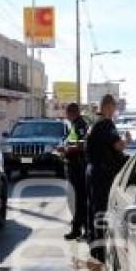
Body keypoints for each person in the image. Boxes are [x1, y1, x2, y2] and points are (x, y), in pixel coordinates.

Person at [85, 94, 125, 259]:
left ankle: (94, 246)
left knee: (94, 209)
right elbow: (118, 146)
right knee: (102, 210)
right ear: (108, 107)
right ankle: (100, 250)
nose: (115, 110)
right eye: (114, 107)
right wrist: (126, 140)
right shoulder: (106, 124)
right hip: (102, 174)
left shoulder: (94, 124)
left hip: (93, 171)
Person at [60, 102, 89, 240]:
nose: (66, 115)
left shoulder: (80, 125)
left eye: (67, 113)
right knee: (76, 199)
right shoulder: (74, 125)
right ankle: (79, 228)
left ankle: (80, 229)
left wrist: (66, 149)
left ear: (73, 113)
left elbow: (82, 145)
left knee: (80, 200)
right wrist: (64, 148)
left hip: (78, 167)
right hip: (72, 166)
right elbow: (72, 142)